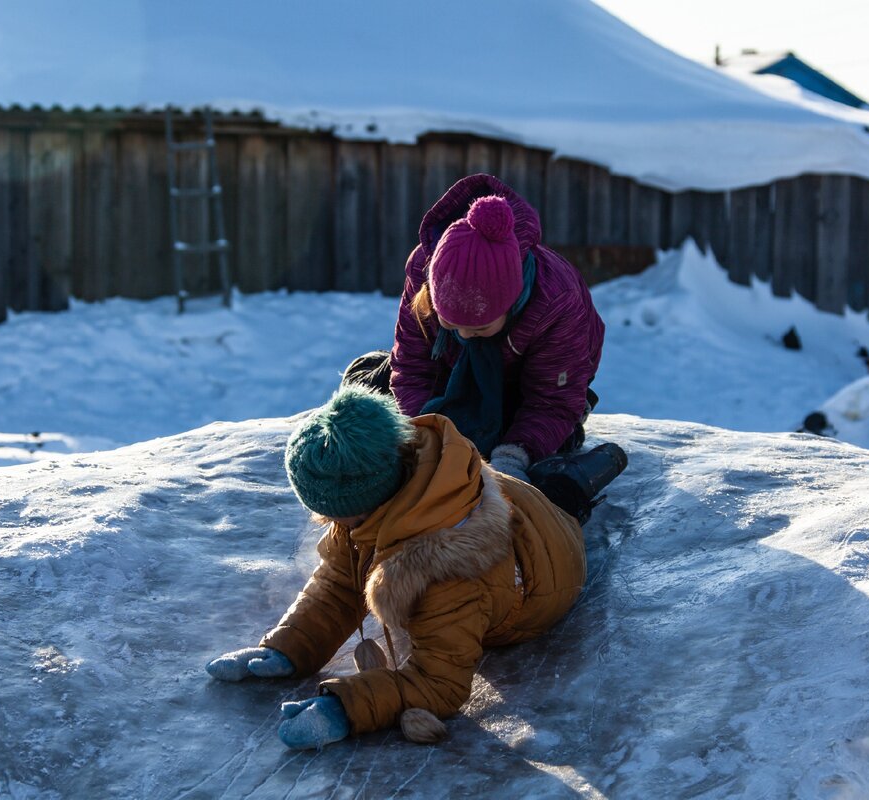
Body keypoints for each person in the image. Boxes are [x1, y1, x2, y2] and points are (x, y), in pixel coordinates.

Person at [205, 387, 624, 750]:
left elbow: (440, 683)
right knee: (538, 489)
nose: (329, 521)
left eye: (335, 514)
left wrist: (346, 707)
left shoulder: (449, 565)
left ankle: (584, 477)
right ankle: (558, 486)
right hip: (512, 500)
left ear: (365, 503)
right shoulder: (387, 483)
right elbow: (339, 582)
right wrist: (287, 647)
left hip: (550, 562)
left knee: (565, 500)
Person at [343, 173, 606, 485]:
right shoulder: (423, 269)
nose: (465, 335)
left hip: (530, 383)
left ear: (510, 304)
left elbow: (552, 400)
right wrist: (425, 435)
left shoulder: (555, 300)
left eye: (480, 326)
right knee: (367, 388)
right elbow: (412, 367)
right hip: (453, 369)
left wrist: (514, 456)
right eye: (450, 324)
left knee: (524, 441)